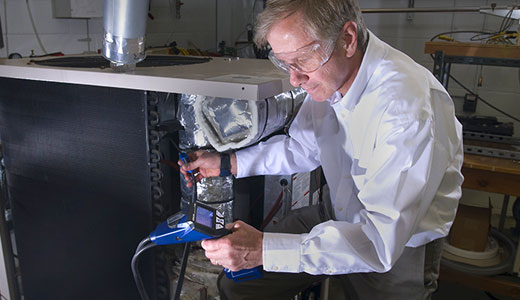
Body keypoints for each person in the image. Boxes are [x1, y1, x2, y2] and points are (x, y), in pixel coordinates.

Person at [180, 0, 464, 299]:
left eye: (302, 60)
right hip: (336, 213)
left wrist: (264, 250)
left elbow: (378, 242)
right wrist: (228, 164)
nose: (294, 79)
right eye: (285, 63)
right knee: (238, 285)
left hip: (396, 246)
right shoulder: (332, 79)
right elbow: (302, 146)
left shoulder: (406, 108)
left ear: (348, 39)